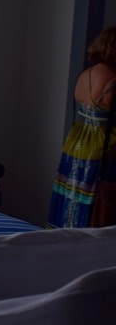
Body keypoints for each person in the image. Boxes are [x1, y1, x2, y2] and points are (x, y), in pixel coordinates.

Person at [48, 26, 116, 227]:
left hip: (77, 143)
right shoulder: (112, 79)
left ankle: (63, 241)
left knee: (72, 198)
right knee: (98, 206)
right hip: (104, 148)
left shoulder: (85, 74)